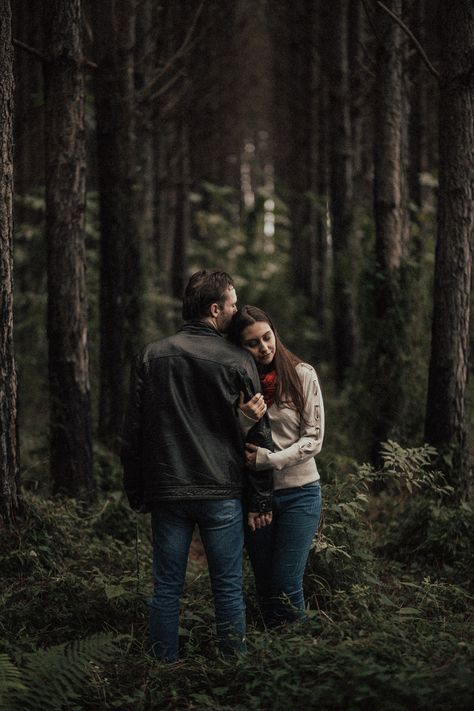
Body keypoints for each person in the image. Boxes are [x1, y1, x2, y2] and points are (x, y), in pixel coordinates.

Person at [121, 271, 273, 662]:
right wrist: (260, 499)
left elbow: (133, 433)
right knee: (227, 587)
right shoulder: (238, 359)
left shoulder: (152, 355)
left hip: (168, 490)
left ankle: (162, 668)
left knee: (166, 587)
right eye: (233, 303)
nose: (236, 310)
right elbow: (258, 436)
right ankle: (232, 668)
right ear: (214, 308)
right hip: (221, 490)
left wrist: (138, 491)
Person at [228, 305, 324, 628]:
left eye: (267, 338)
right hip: (258, 500)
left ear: (275, 334)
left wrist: (270, 460)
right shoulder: (238, 384)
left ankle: (298, 652)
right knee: (266, 586)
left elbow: (314, 439)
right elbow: (228, 442)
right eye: (253, 343)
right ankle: (273, 657)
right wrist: (244, 418)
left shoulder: (302, 375)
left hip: (300, 495)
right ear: (241, 347)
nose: (264, 347)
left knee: (286, 583)